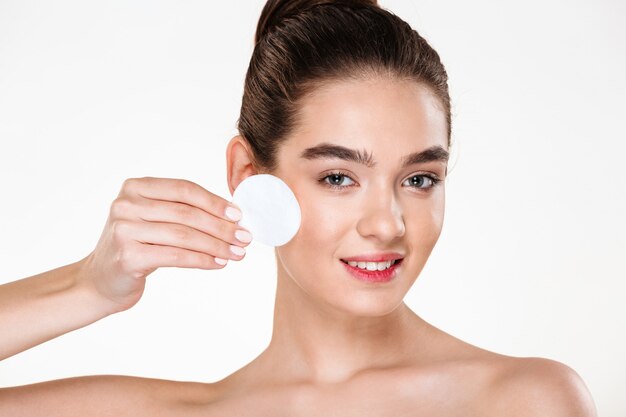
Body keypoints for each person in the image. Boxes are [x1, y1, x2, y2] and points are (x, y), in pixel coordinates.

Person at [0, 0, 597, 415]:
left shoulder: (525, 400)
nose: (387, 224)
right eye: (338, 177)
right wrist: (89, 287)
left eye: (419, 178)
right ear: (247, 176)